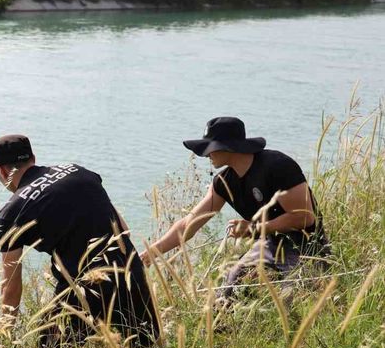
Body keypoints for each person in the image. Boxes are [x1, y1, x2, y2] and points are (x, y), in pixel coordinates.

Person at [0, 134, 158, 348]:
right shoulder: (80, 172)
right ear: (33, 157)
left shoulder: (12, 211)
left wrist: (4, 336)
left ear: (1, 171)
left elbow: (10, 286)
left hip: (83, 289)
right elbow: (123, 231)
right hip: (129, 271)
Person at [140, 117, 330, 302]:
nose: (206, 155)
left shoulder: (277, 166)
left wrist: (253, 228)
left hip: (307, 247)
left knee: (292, 298)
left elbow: (304, 218)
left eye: (210, 148)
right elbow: (188, 224)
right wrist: (151, 253)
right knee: (228, 291)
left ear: (227, 146)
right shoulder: (223, 183)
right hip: (269, 245)